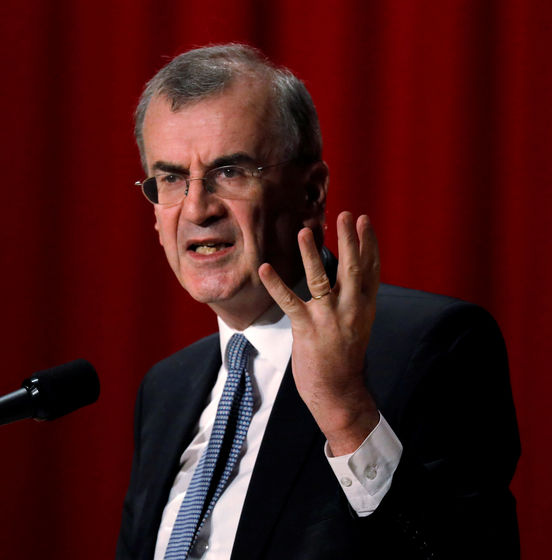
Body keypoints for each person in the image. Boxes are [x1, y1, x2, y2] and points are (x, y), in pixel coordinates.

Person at [116, 44, 519, 560]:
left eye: (230, 172)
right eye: (171, 178)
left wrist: (346, 410)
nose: (197, 208)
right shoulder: (166, 389)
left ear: (310, 193)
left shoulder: (431, 345)